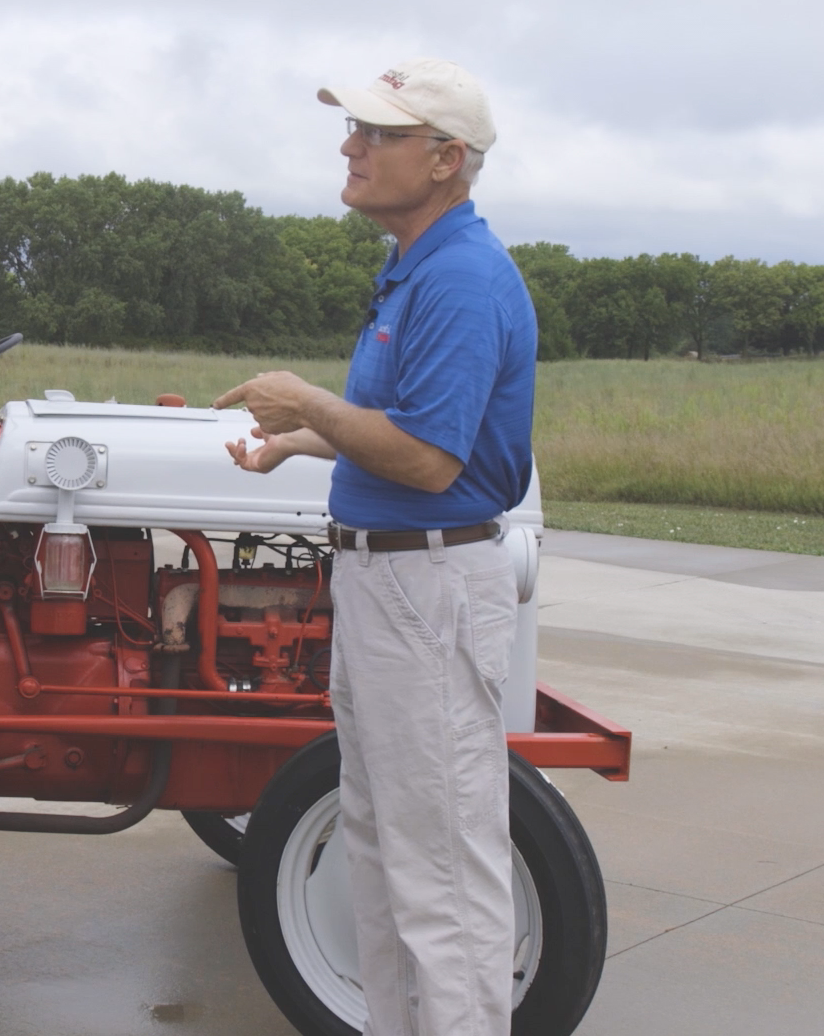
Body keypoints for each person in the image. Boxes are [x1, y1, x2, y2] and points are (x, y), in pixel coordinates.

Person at [213, 58, 534, 1036]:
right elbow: (399, 424)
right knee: (384, 846)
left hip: (423, 586)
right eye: (352, 129)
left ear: (444, 160)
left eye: (376, 134)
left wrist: (306, 400)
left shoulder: (461, 277)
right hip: (390, 582)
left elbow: (432, 462)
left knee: (436, 867)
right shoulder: (416, 267)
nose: (349, 147)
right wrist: (300, 440)